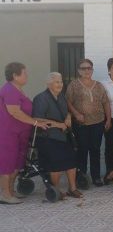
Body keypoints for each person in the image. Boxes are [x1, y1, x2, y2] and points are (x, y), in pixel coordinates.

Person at [0, 62, 49, 204]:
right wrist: (35, 123)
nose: (27, 75)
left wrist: (39, 120)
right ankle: (5, 194)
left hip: (20, 134)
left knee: (17, 163)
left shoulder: (18, 90)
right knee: (7, 163)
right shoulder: (9, 90)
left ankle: (10, 190)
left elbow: (25, 111)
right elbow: (14, 111)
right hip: (9, 133)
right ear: (15, 75)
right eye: (24, 73)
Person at [33, 72, 82, 199]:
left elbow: (66, 112)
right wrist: (58, 125)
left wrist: (68, 117)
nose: (60, 84)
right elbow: (38, 119)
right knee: (56, 163)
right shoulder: (41, 98)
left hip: (63, 136)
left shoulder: (61, 97)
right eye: (57, 82)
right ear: (49, 84)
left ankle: (72, 188)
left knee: (72, 160)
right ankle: (56, 190)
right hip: (47, 137)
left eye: (61, 81)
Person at [66, 59, 111, 187]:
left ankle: (96, 177)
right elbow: (68, 101)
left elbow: (106, 102)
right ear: (79, 70)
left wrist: (108, 119)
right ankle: (82, 177)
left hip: (98, 122)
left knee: (95, 150)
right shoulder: (73, 85)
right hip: (81, 124)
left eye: (89, 68)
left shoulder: (99, 85)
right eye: (83, 68)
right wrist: (76, 114)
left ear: (92, 70)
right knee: (82, 150)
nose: (86, 70)